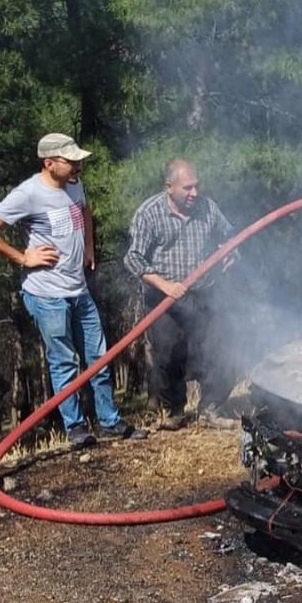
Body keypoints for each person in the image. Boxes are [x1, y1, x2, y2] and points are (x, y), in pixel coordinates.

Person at [0, 134, 144, 447]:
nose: (78, 166)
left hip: (78, 290)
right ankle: (76, 429)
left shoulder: (74, 183)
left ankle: (109, 422)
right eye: (71, 161)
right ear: (49, 164)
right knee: (64, 360)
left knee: (99, 356)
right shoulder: (28, 194)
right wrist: (23, 257)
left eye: (78, 160)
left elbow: (85, 210)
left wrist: (88, 245)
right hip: (47, 296)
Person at [124, 158, 237, 429]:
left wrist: (231, 253)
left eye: (196, 186)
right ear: (169, 188)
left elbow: (230, 236)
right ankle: (174, 410)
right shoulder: (148, 214)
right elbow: (133, 260)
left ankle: (212, 407)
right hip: (164, 297)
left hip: (204, 293)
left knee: (221, 347)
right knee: (168, 353)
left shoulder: (208, 209)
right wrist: (167, 287)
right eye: (187, 188)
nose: (194, 193)